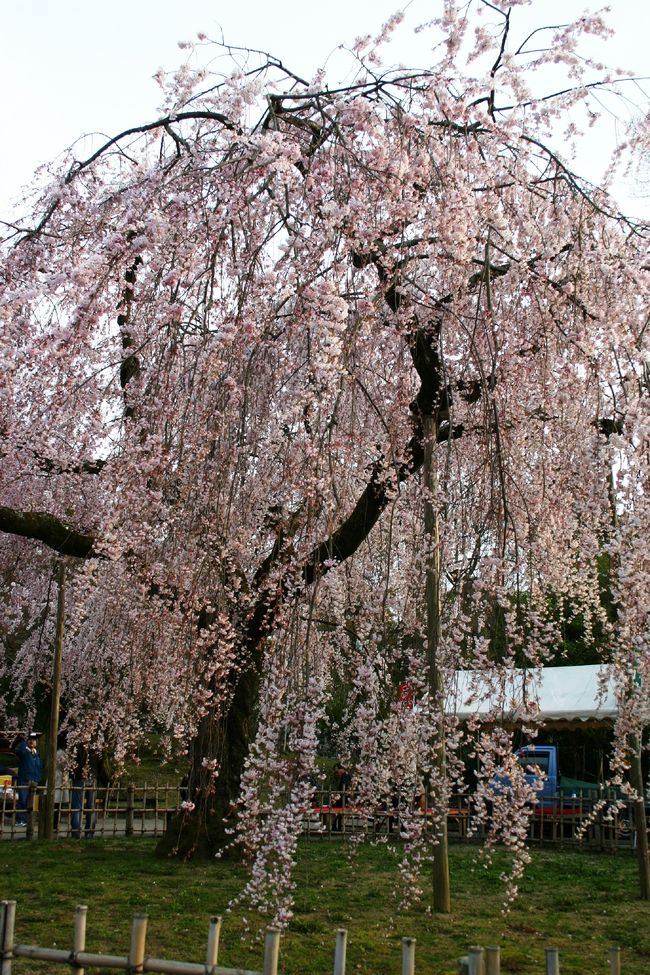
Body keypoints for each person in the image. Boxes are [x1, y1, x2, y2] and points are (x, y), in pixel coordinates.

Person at [70, 746, 99, 838]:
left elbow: (72, 764)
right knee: (91, 806)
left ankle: (76, 832)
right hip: (93, 776)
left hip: (79, 777)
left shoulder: (77, 745)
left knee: (77, 805)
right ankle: (89, 832)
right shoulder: (95, 746)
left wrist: (73, 775)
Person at [16, 733, 43, 827]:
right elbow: (21, 750)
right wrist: (24, 738)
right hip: (24, 779)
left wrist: (38, 779)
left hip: (34, 780)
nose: (32, 741)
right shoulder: (24, 752)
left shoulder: (37, 753)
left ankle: (28, 820)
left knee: (30, 802)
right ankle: (20, 820)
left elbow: (39, 767)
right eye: (30, 739)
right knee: (22, 800)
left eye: (34, 740)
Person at [53, 737, 70, 832]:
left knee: (56, 804)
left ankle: (55, 824)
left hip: (57, 777)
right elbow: (66, 767)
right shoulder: (62, 754)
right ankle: (55, 825)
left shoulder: (57, 752)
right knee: (57, 804)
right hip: (59, 778)